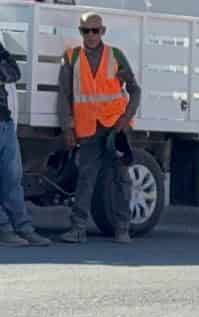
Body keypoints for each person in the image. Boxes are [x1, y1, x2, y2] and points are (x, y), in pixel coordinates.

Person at [56, 12, 139, 244]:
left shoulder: (116, 56)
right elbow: (64, 95)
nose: (90, 35)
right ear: (80, 31)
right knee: (86, 177)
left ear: (103, 31)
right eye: (86, 31)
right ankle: (78, 229)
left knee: (121, 178)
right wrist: (67, 128)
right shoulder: (71, 57)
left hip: (116, 126)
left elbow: (135, 90)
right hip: (88, 128)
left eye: (95, 30)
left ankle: (123, 228)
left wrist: (126, 118)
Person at [0, 37, 50, 246]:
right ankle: (4, 230)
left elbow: (14, 72)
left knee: (13, 180)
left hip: (4, 121)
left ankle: (24, 228)